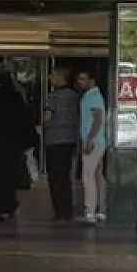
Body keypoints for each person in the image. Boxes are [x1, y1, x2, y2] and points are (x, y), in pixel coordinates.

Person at [0, 69, 34, 222]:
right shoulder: (16, 98)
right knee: (10, 175)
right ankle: (9, 204)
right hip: (14, 143)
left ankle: (0, 205)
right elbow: (25, 120)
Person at [41, 65, 80, 221]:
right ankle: (67, 209)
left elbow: (47, 117)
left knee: (55, 177)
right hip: (70, 139)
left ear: (60, 78)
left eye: (52, 75)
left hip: (54, 139)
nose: (50, 78)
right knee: (65, 176)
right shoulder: (75, 96)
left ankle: (59, 211)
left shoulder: (53, 97)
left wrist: (44, 124)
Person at [76, 69, 108, 224]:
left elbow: (97, 119)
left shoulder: (93, 97)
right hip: (98, 141)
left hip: (93, 142)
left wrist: (89, 139)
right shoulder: (93, 96)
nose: (79, 82)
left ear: (92, 81)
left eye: (83, 79)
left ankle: (90, 212)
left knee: (88, 176)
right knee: (97, 176)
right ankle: (101, 210)